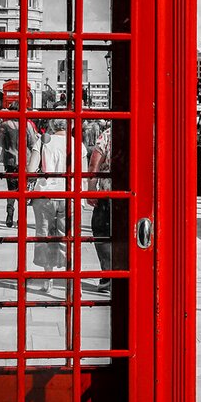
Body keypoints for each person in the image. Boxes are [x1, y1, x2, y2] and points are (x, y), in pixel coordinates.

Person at [28, 118, 88, 293]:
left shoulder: (44, 140)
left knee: (45, 236)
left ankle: (48, 280)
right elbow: (83, 175)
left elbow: (31, 170)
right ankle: (72, 282)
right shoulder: (78, 144)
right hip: (70, 196)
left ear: (53, 125)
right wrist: (82, 200)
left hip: (45, 195)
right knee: (68, 238)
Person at [0, 95, 39, 229]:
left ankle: (9, 214)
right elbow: (33, 143)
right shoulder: (28, 125)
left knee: (11, 190)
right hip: (25, 161)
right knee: (23, 191)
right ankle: (21, 219)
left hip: (10, 160)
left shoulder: (5, 125)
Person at [85, 121, 113, 295]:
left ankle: (108, 277)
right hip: (138, 196)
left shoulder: (108, 135)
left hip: (107, 193)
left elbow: (94, 164)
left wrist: (90, 189)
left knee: (102, 233)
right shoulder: (148, 131)